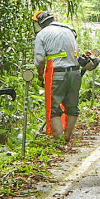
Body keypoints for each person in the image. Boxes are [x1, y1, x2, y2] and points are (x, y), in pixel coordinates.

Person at [33, 10, 81, 142]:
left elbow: (39, 60)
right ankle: (67, 137)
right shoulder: (69, 29)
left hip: (57, 74)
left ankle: (58, 141)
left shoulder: (42, 34)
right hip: (75, 73)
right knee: (72, 107)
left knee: (53, 109)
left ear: (40, 23)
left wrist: (40, 75)